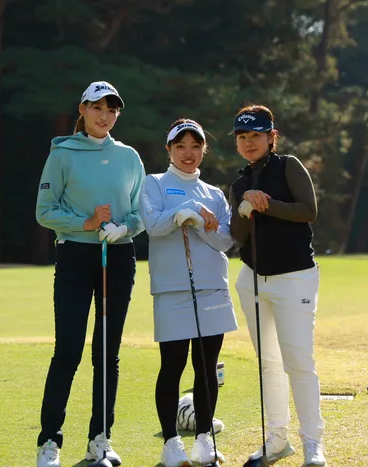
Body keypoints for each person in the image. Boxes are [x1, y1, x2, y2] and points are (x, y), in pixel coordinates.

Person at [34, 81, 145, 467]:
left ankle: (100, 439)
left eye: (112, 109)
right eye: (97, 107)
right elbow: (44, 211)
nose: (105, 115)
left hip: (118, 256)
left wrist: (124, 228)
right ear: (82, 110)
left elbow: (139, 212)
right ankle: (49, 442)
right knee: (67, 351)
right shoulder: (62, 154)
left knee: (107, 353)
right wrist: (87, 223)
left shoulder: (129, 157)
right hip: (76, 257)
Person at [228, 105, 326, 467]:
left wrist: (265, 205)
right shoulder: (239, 184)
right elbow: (238, 237)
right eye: (242, 137)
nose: (249, 142)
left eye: (256, 135)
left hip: (295, 277)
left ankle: (313, 442)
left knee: (298, 362)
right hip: (252, 279)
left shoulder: (289, 166)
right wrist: (244, 208)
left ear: (272, 137)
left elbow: (308, 211)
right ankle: (276, 439)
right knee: (268, 364)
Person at [139, 119, 238, 467]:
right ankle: (171, 444)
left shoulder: (214, 193)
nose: (188, 153)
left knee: (206, 367)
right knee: (173, 365)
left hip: (211, 288)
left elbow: (225, 240)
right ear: (169, 149)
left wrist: (199, 223)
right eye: (180, 146)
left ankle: (204, 439)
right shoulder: (154, 184)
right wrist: (186, 212)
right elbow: (154, 225)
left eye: (195, 146)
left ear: (203, 151)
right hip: (172, 289)